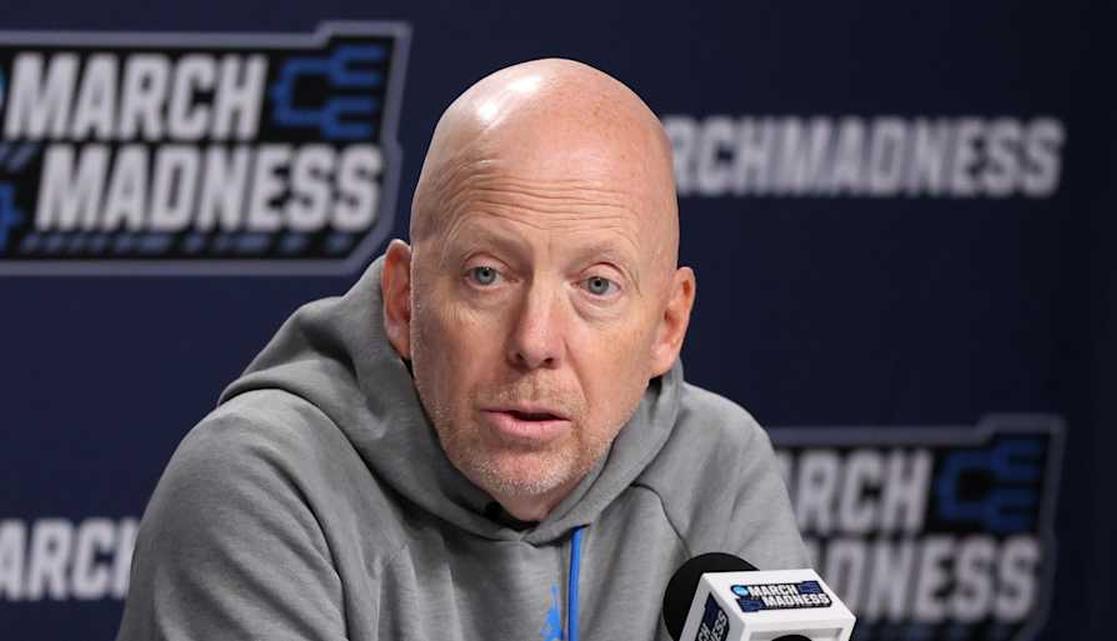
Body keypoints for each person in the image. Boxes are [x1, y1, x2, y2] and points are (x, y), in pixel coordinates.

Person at [116, 58, 806, 641]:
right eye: (487, 275)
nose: (535, 342)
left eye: (597, 284)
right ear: (404, 299)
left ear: (667, 325)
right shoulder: (261, 484)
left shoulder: (716, 468)